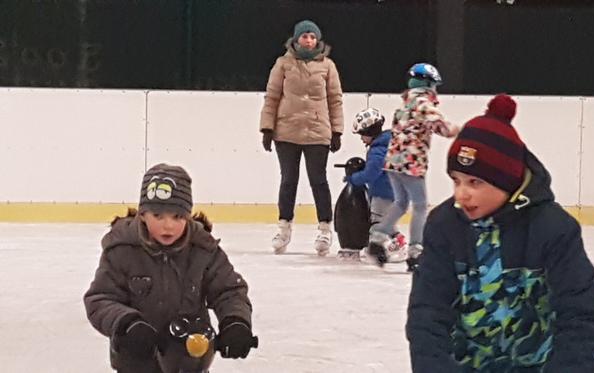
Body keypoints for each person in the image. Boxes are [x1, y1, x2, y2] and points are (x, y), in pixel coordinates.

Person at [406, 94, 594, 372]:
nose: (461, 194)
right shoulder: (444, 226)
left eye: (475, 182)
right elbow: (428, 314)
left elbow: (581, 315)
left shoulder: (553, 229)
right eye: (456, 180)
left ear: (506, 180)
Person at [84, 164, 256, 373]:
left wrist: (235, 322)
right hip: (137, 362)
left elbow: (229, 291)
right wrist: (126, 323)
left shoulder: (202, 249)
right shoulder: (122, 250)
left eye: (178, 217)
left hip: (190, 362)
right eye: (158, 216)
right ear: (142, 214)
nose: (168, 226)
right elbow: (100, 298)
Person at [259, 19, 344, 256]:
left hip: (318, 132)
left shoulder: (327, 66)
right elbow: (272, 96)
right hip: (286, 131)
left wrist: (336, 131)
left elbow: (335, 100)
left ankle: (325, 229)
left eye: (312, 37)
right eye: (304, 36)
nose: (308, 40)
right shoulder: (283, 64)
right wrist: (267, 128)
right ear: (296, 40)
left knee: (318, 180)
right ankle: (284, 227)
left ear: (318, 40)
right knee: (288, 180)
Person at [367, 62, 458, 270]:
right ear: (427, 84)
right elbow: (441, 127)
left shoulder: (404, 105)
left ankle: (378, 238)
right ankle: (416, 252)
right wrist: (461, 130)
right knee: (419, 206)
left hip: (393, 162)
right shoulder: (423, 104)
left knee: (400, 203)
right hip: (411, 163)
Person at [342, 107, 407, 262]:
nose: (361, 139)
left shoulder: (378, 149)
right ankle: (397, 243)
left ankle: (393, 246)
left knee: (378, 223)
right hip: (390, 190)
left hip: (383, 192)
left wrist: (353, 178)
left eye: (362, 135)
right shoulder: (387, 143)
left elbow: (372, 173)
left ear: (369, 131)